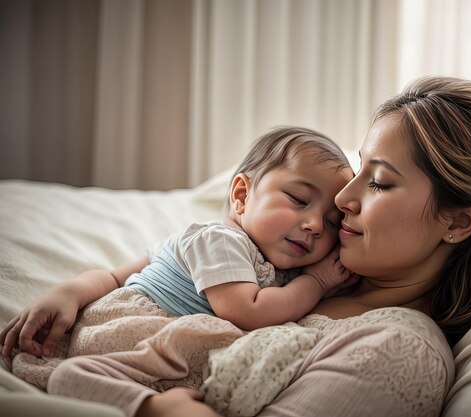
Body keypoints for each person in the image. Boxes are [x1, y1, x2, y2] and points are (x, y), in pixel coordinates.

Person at [2, 76, 471, 417]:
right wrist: (78, 290)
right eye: (359, 172)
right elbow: (172, 255)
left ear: (456, 223)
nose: (344, 197)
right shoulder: (297, 268)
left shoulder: (396, 351)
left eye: (380, 182)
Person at [0, 126, 354, 359]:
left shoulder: (284, 274)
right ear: (242, 195)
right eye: (297, 199)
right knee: (91, 377)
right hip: (131, 335)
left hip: (167, 349)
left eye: (331, 220)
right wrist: (69, 294)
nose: (314, 226)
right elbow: (249, 311)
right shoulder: (219, 240)